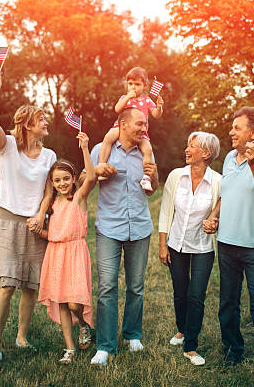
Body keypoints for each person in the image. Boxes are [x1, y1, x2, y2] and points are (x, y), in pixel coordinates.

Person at [204, 106, 254, 384]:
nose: (231, 132)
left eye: (237, 127)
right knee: (228, 302)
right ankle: (233, 350)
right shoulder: (227, 159)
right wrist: (214, 216)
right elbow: (227, 194)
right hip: (226, 243)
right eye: (232, 127)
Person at [0, 72, 57, 361]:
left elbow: (49, 191)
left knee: (29, 286)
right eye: (41, 119)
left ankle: (22, 337)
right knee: (7, 285)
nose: (45, 122)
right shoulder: (8, 147)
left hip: (36, 226)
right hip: (8, 222)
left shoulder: (49, 156)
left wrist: (41, 216)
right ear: (28, 125)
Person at [85, 107, 159, 366]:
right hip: (109, 228)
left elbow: (152, 189)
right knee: (107, 287)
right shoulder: (101, 149)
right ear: (123, 124)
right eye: (139, 124)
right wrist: (98, 172)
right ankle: (105, 346)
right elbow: (85, 179)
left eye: (144, 125)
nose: (142, 129)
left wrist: (155, 175)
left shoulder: (146, 151)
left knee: (136, 286)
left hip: (139, 227)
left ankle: (132, 334)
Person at [31, 132, 96, 365]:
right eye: (57, 181)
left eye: (66, 179)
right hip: (56, 254)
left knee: (74, 303)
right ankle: (69, 348)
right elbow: (55, 234)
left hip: (76, 253)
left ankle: (85, 323)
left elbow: (92, 178)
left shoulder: (78, 198)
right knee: (61, 303)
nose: (62, 184)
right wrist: (39, 231)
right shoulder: (53, 205)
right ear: (53, 183)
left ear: (73, 178)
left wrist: (86, 148)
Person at [158, 132, 221, 366]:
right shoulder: (176, 176)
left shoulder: (217, 181)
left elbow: (222, 208)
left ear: (205, 153)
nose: (187, 149)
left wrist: (214, 221)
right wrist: (163, 244)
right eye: (187, 145)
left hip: (203, 247)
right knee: (180, 292)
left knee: (196, 295)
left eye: (192, 146)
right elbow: (166, 211)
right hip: (176, 244)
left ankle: (191, 347)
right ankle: (182, 330)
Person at [97, 67, 164, 193]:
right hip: (120, 127)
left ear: (144, 86)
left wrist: (159, 107)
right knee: (107, 139)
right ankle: (102, 166)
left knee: (148, 150)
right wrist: (128, 97)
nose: (133, 87)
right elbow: (117, 109)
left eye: (137, 84)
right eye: (130, 84)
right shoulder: (124, 97)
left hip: (141, 133)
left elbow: (156, 114)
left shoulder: (146, 100)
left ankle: (146, 178)